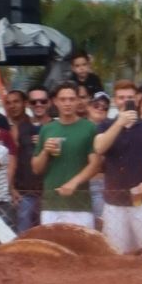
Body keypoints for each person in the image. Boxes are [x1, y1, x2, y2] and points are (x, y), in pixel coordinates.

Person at [91, 91, 142, 252]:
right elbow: (99, 147)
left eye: (129, 97)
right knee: (117, 253)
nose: (125, 101)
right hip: (113, 204)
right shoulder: (105, 125)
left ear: (135, 100)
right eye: (121, 98)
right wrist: (119, 123)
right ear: (115, 100)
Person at [31, 82, 100, 229]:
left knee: (83, 250)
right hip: (51, 205)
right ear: (55, 101)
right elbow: (36, 169)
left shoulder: (89, 127)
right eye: (63, 99)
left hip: (80, 206)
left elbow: (95, 164)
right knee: (52, 250)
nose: (67, 103)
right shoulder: (47, 129)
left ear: (78, 101)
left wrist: (74, 182)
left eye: (71, 99)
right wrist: (45, 151)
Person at [10, 86, 49, 232]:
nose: (38, 104)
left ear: (49, 102)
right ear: (28, 104)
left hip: (50, 192)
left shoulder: (57, 126)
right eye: (34, 102)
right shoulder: (18, 128)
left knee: (49, 234)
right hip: (25, 191)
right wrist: (11, 187)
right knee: (24, 235)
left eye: (42, 101)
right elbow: (12, 159)